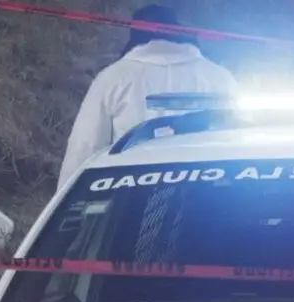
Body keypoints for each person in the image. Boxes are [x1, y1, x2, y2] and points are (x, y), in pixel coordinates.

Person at [58, 4, 238, 187]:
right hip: (209, 191)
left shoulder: (114, 78)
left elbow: (85, 148)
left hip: (131, 192)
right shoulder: (220, 78)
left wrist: (65, 198)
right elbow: (239, 143)